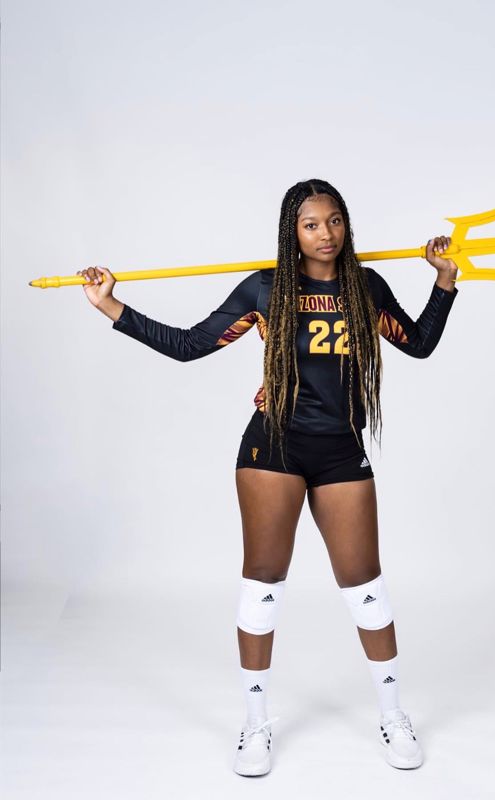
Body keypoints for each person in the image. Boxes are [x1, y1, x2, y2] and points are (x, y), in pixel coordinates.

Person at [77, 178, 459, 776]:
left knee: (365, 583)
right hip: (273, 446)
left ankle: (392, 714)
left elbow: (419, 343)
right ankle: (255, 725)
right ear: (292, 232)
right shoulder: (267, 288)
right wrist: (110, 306)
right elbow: (188, 345)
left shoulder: (365, 287)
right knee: (263, 581)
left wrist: (444, 282)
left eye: (334, 220)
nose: (326, 234)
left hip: (340, 449)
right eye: (311, 224)